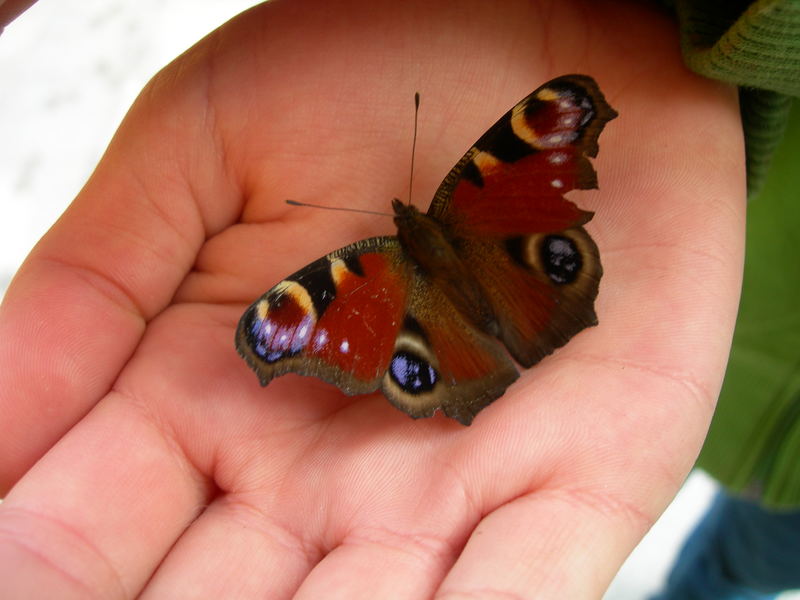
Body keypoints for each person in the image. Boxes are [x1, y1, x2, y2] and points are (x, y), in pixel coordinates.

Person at [0, 1, 748, 597]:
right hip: (516, 261)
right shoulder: (467, 193)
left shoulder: (359, 274)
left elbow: (559, 110)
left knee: (421, 331)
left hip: (460, 309)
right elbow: (283, 320)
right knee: (512, 272)